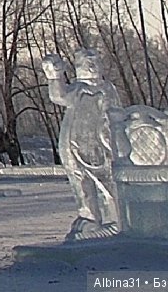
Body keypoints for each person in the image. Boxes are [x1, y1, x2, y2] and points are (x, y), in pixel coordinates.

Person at [43, 49, 120, 238]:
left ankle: (115, 217)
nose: (92, 67)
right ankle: (89, 217)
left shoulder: (107, 89)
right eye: (87, 63)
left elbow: (117, 112)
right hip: (74, 143)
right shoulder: (77, 89)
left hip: (101, 144)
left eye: (94, 63)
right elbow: (59, 96)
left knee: (107, 181)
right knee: (80, 182)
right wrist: (55, 75)